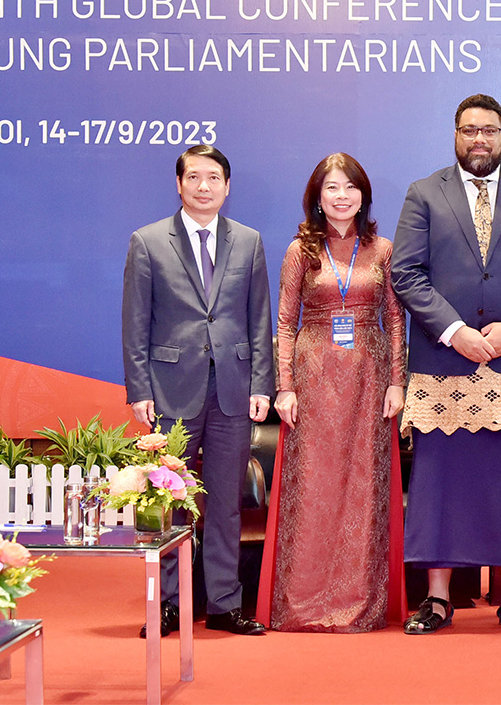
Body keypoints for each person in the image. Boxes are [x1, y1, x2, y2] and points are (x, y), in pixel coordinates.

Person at [391, 94, 501, 634]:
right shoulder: (424, 193)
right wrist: (455, 332)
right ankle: (438, 597)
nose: (479, 140)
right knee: (439, 481)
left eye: (489, 131)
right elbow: (406, 274)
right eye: (469, 131)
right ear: (455, 135)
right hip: (445, 361)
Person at [122, 144, 273, 637]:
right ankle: (168, 603)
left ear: (227, 187)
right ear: (179, 184)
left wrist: (261, 385)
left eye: (213, 178)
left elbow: (258, 319)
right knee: (166, 501)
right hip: (169, 390)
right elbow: (135, 323)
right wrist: (138, 388)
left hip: (232, 389)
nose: (203, 186)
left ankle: (226, 604)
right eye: (194, 177)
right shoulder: (147, 242)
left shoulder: (248, 242)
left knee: (226, 500)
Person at [254, 152, 408, 632]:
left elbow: (397, 321)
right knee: (312, 489)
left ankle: (359, 602)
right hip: (314, 378)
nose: (341, 197)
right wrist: (284, 387)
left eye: (350, 188)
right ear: (317, 199)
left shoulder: (382, 249)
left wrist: (397, 382)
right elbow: (284, 321)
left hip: (369, 377)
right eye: (331, 189)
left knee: (364, 486)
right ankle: (303, 604)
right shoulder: (301, 250)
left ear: (363, 195)